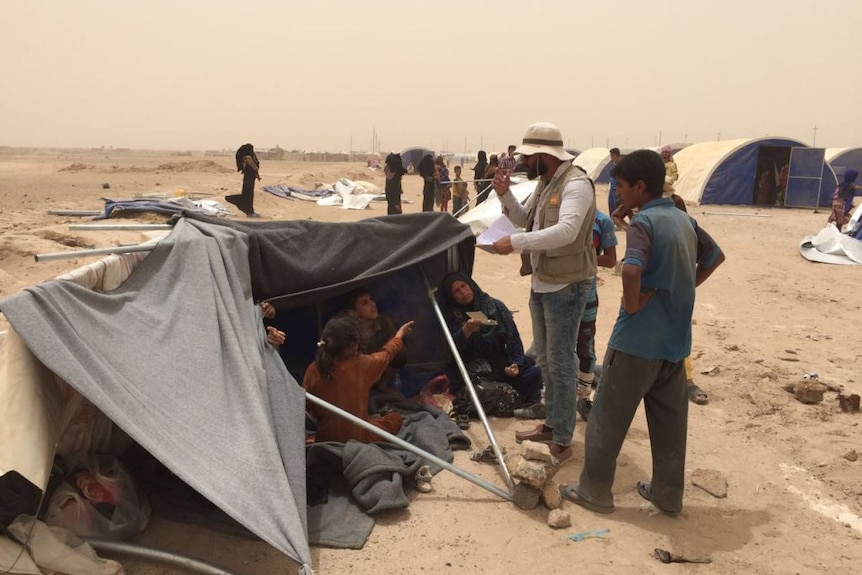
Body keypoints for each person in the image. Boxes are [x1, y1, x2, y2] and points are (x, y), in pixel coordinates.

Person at [559, 149, 725, 516]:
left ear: (639, 186)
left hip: (637, 341)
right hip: (675, 342)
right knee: (669, 423)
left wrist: (633, 305)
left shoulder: (643, 225)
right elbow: (714, 257)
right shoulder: (683, 220)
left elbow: (631, 270)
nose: (616, 192)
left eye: (620, 185)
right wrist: (685, 287)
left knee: (607, 419)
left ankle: (595, 491)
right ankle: (668, 494)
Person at [491, 121, 598, 463]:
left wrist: (515, 243)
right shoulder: (547, 182)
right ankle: (551, 425)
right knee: (549, 362)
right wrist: (504, 195)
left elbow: (566, 231)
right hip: (543, 282)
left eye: (527, 157)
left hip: (566, 286)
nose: (522, 162)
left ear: (543, 155)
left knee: (563, 363)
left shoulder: (576, 184)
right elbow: (527, 220)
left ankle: (563, 440)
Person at [302, 316, 414, 444]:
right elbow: (387, 354)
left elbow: (306, 406)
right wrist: (399, 335)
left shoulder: (312, 369)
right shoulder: (362, 364)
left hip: (326, 439)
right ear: (353, 346)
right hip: (358, 439)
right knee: (395, 419)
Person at [440, 272, 543, 406]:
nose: (463, 292)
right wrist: (466, 331)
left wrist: (515, 364)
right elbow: (451, 350)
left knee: (534, 373)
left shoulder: (495, 307)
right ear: (452, 297)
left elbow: (514, 339)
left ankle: (509, 395)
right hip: (474, 369)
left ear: (470, 284)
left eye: (464, 286)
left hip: (500, 365)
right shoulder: (451, 316)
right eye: (456, 291)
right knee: (459, 384)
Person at [342, 287, 407, 392]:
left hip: (381, 362)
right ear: (352, 312)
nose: (372, 304)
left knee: (400, 351)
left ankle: (382, 385)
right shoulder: (348, 332)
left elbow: (394, 346)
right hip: (361, 370)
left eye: (371, 299)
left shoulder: (383, 322)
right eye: (365, 303)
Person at [226, 143, 261, 217]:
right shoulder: (248, 157)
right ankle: (249, 211)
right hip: (248, 177)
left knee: (249, 194)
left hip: (249, 177)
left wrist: (257, 175)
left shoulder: (248, 157)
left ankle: (250, 211)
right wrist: (256, 172)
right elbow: (254, 167)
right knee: (247, 194)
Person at [607, 148, 622, 216]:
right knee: (611, 207)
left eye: (612, 156)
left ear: (615, 155)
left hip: (617, 189)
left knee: (617, 210)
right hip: (612, 189)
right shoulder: (614, 165)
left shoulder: (622, 165)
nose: (611, 158)